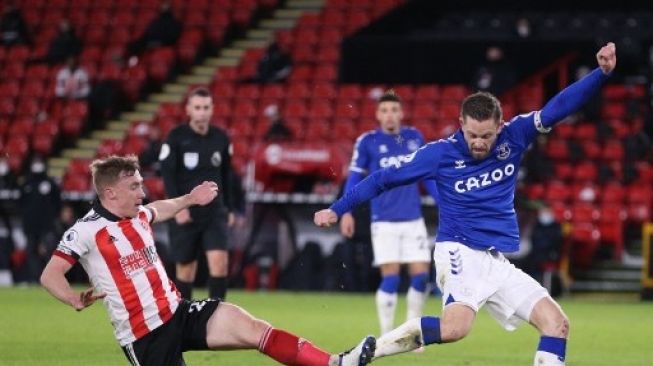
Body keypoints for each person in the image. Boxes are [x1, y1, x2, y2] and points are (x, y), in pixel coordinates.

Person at [314, 43, 617, 365]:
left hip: (494, 259)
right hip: (458, 250)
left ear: (500, 127)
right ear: (461, 123)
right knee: (456, 328)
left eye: (486, 135)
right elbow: (382, 179)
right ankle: (364, 354)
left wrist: (601, 74)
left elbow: (558, 106)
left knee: (557, 324)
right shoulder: (439, 154)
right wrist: (338, 208)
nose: (479, 142)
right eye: (472, 134)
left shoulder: (516, 135)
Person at [40, 155, 375, 366]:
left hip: (178, 312)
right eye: (134, 187)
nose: (142, 193)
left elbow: (164, 208)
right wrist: (71, 297)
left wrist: (191, 199)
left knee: (253, 328)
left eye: (141, 184)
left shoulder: (138, 214)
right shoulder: (86, 231)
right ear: (110, 193)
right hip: (146, 338)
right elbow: (51, 274)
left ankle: (335, 363)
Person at [340, 90, 440, 336]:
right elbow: (355, 176)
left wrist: (443, 203)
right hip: (383, 221)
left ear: (401, 113)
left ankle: (412, 331)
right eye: (384, 111)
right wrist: (345, 211)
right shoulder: (367, 141)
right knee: (392, 278)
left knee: (420, 276)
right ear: (377, 114)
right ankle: (386, 334)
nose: (390, 115)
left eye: (394, 110)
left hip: (413, 219)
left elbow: (428, 177)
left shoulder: (415, 137)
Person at [159, 87, 233, 300]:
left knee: (219, 264)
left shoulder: (221, 138)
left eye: (206, 108)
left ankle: (217, 316)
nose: (202, 112)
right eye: (197, 108)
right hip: (186, 211)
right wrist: (177, 208)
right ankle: (186, 318)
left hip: (214, 212)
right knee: (186, 270)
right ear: (188, 110)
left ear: (212, 110)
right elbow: (168, 175)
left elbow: (227, 175)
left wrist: (229, 207)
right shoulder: (176, 137)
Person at [19, 157, 62, 283]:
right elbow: (20, 204)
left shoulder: (51, 183)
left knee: (48, 252)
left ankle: (51, 280)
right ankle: (35, 279)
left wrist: (52, 219)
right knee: (31, 252)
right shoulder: (26, 184)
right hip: (30, 226)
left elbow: (57, 203)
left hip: (46, 226)